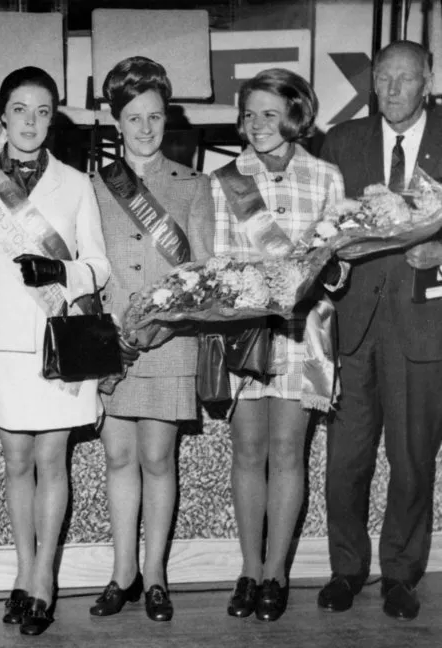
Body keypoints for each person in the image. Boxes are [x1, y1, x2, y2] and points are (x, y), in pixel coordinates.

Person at [0, 66, 110, 636]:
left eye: (42, 111)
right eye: (20, 110)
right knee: (16, 463)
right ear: (2, 115)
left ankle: (45, 579)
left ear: (54, 119)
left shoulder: (77, 183)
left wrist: (62, 269)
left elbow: (98, 265)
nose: (30, 122)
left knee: (53, 461)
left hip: (59, 342)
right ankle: (23, 572)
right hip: (1, 344)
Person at [212, 68, 344, 623]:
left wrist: (317, 275)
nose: (256, 124)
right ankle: (247, 568)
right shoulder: (224, 178)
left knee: (289, 452)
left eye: (269, 113)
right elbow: (218, 261)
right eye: (249, 114)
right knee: (248, 452)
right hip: (246, 330)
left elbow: (339, 265)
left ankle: (276, 573)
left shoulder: (327, 177)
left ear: (295, 113)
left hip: (302, 331)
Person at [317, 40, 442, 621]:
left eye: (404, 79)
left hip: (422, 325)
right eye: (383, 79)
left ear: (427, 81)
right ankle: (346, 569)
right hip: (353, 323)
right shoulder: (342, 143)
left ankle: (401, 572)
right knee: (345, 458)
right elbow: (319, 231)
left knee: (413, 458)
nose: (391, 91)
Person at [89, 57, 213, 623]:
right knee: (118, 456)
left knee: (158, 458)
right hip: (111, 341)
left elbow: (205, 273)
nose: (145, 128)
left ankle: (158, 574)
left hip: (169, 340)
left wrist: (167, 321)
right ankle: (123, 573)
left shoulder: (194, 185)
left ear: (168, 119)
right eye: (134, 118)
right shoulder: (91, 186)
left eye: (155, 117)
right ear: (116, 121)